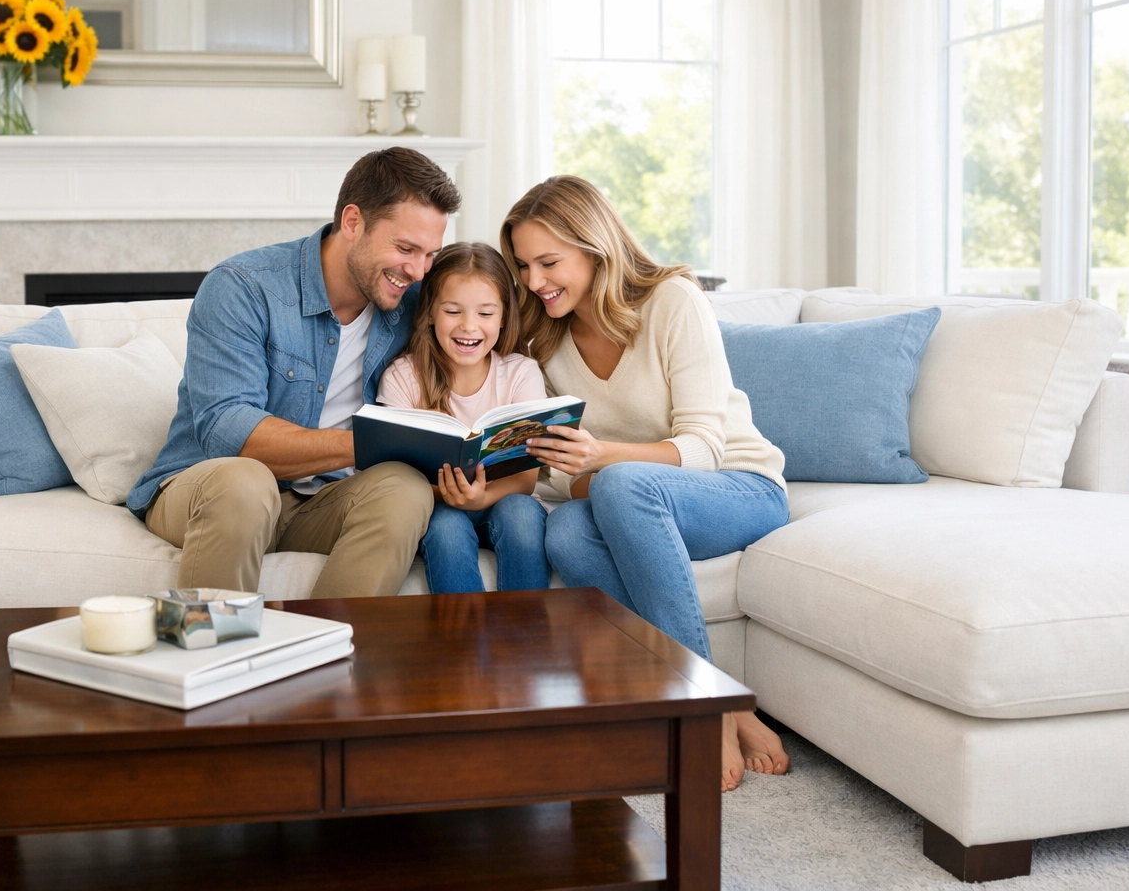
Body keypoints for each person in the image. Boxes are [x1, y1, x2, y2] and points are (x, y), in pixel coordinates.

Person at [502, 175, 792, 793]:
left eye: (549, 262)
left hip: (738, 489)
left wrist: (602, 460)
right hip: (629, 501)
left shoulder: (672, 301)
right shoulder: (546, 339)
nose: (534, 281)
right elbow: (560, 479)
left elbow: (705, 447)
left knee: (621, 486)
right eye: (524, 265)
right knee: (570, 536)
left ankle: (708, 707)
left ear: (595, 247)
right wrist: (589, 473)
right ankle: (693, 698)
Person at [128, 147, 459, 599]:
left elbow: (491, 317)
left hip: (323, 502)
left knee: (405, 489)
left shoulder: (414, 302)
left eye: (429, 254)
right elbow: (229, 432)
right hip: (211, 489)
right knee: (246, 481)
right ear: (352, 222)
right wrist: (373, 443)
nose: (418, 271)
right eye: (405, 248)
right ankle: (214, 660)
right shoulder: (243, 287)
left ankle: (330, 655)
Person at [377, 242, 549, 594]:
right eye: (453, 311)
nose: (469, 327)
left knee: (521, 514)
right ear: (429, 313)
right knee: (446, 527)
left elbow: (527, 479)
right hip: (438, 507)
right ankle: (465, 645)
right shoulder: (403, 377)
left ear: (503, 318)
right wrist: (450, 497)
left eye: (485, 314)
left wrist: (479, 499)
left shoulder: (521, 374)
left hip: (505, 502)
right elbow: (388, 477)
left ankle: (527, 641)